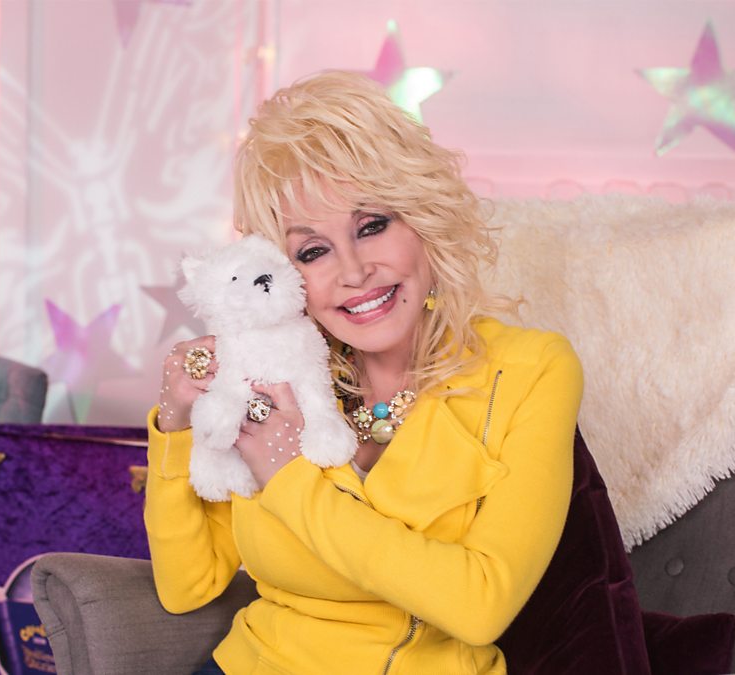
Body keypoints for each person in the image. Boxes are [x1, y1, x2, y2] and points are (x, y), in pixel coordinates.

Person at [145, 70, 583, 674]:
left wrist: (289, 477)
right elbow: (186, 585)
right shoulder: (274, 372)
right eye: (313, 251)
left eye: (372, 226)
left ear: (424, 219)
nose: (353, 272)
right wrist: (173, 425)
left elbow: (481, 606)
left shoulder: (530, 370)